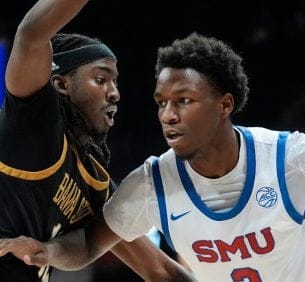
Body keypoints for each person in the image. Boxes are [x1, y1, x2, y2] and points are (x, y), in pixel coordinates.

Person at [1, 32, 305, 281]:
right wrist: (50, 252)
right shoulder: (150, 185)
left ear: (224, 105)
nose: (168, 115)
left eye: (184, 101)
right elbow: (89, 245)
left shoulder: (292, 156)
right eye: (161, 104)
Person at [0, 0, 195, 281]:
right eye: (101, 79)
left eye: (115, 83)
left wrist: (51, 250)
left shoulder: (93, 180)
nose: (114, 93)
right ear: (61, 84)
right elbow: (31, 34)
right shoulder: (34, 127)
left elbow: (160, 270)